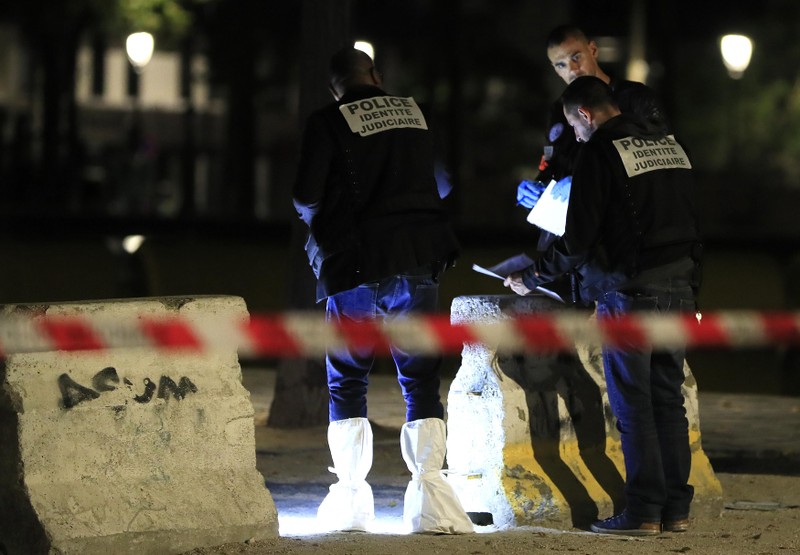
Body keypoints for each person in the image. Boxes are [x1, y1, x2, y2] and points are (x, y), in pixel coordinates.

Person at [504, 75, 702, 536]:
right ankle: (676, 509)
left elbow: (577, 240)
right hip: (679, 286)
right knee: (668, 401)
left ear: (586, 115)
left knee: (634, 404)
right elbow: (694, 219)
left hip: (630, 293)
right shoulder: (669, 145)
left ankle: (643, 513)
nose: (575, 135)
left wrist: (531, 276)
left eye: (574, 126)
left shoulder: (599, 151)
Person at [292, 46, 472, 535]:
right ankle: (431, 502)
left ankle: (351, 502)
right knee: (419, 377)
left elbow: (305, 196)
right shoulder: (412, 113)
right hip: (416, 257)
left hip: (354, 262)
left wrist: (328, 226)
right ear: (374, 75)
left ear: (335, 87)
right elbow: (444, 180)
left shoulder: (327, 121)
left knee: (347, 377)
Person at [517, 25, 670, 252]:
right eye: (561, 64)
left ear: (593, 50)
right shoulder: (558, 111)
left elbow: (660, 157)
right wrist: (537, 187)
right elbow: (553, 165)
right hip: (570, 237)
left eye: (576, 57)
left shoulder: (635, 99)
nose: (572, 69)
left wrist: (581, 184)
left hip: (624, 233)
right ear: (555, 69)